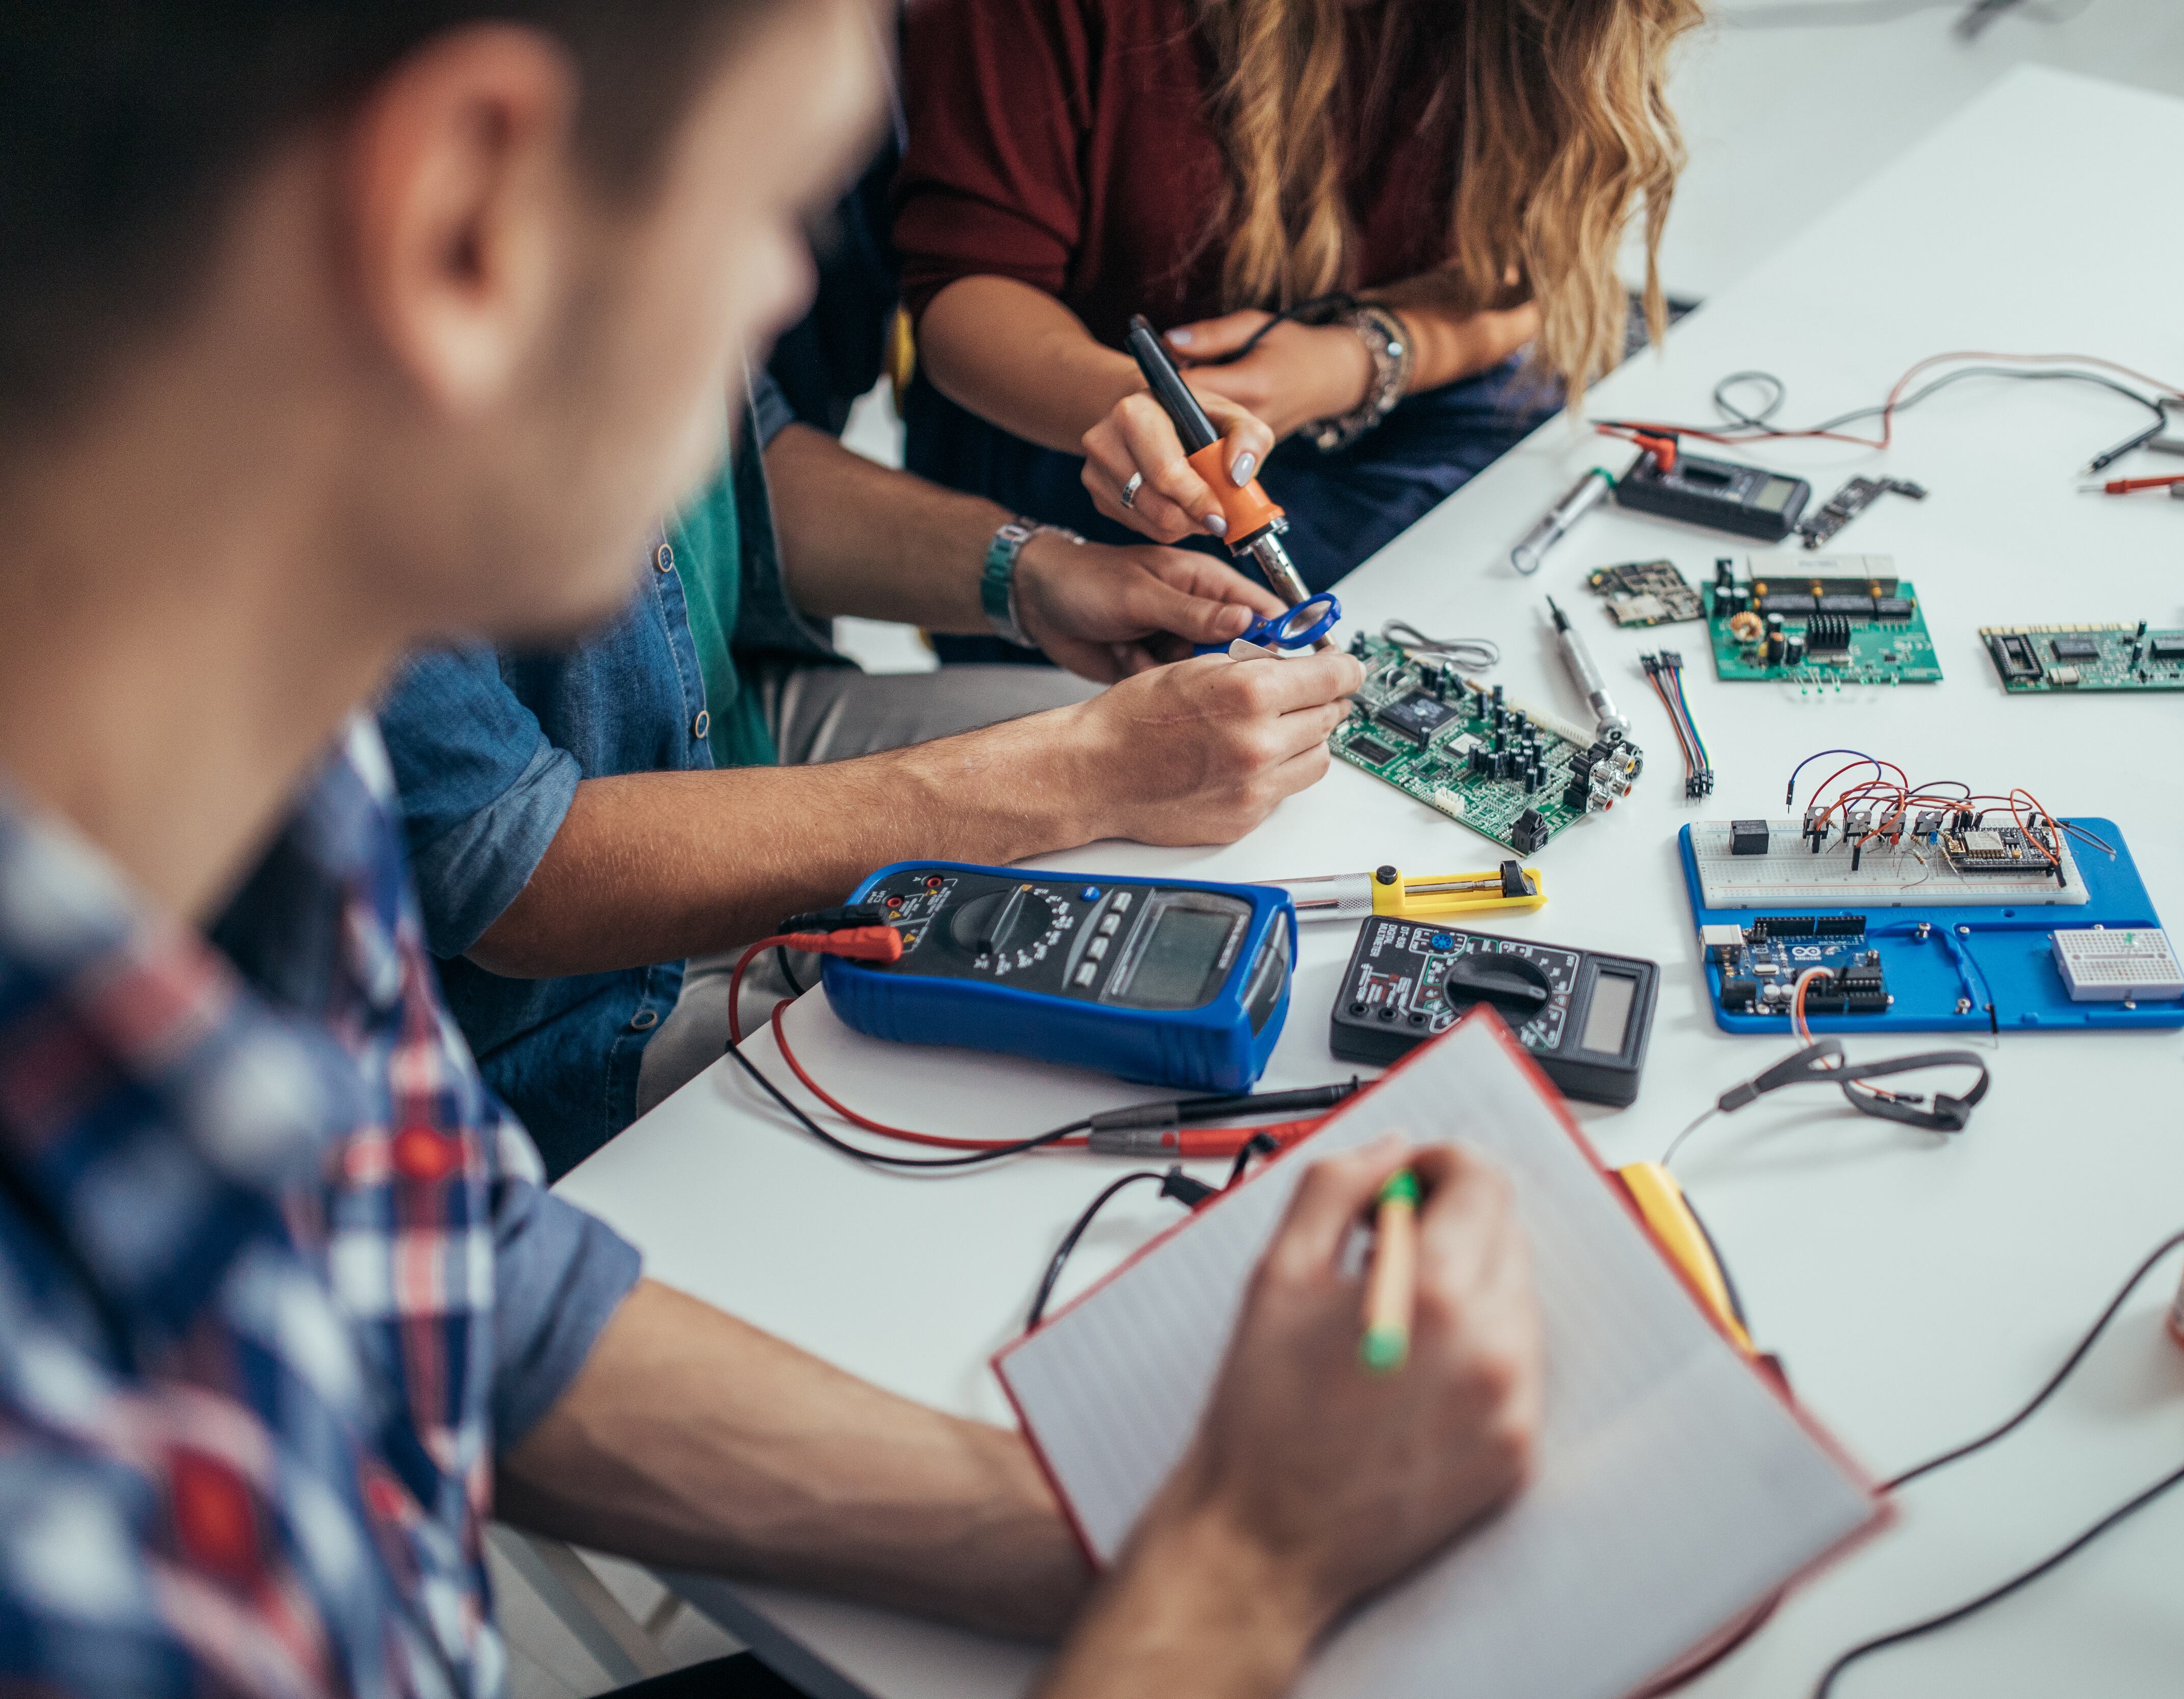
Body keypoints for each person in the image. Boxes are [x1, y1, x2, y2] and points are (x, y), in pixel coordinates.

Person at [0, 11, 1541, 1699]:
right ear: (463, 222)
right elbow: (520, 888)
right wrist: (1240, 1577)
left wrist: (1132, 1528)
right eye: (770, 210)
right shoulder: (78, 1552)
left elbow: (466, 1295)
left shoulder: (269, 808)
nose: (788, 306)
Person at [379, 368, 1360, 1174]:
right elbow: (511, 872)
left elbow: (747, 452)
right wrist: (1082, 770)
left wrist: (1032, 573)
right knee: (1073, 1137)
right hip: (572, 1010)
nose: (795, 283)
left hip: (753, 725)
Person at [892, 0, 1707, 595]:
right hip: (1090, 449)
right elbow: (964, 300)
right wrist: (1131, 406)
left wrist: (1357, 359)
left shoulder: (1565, 21)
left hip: (1413, 400)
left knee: (1559, 568)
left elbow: (1528, 280)